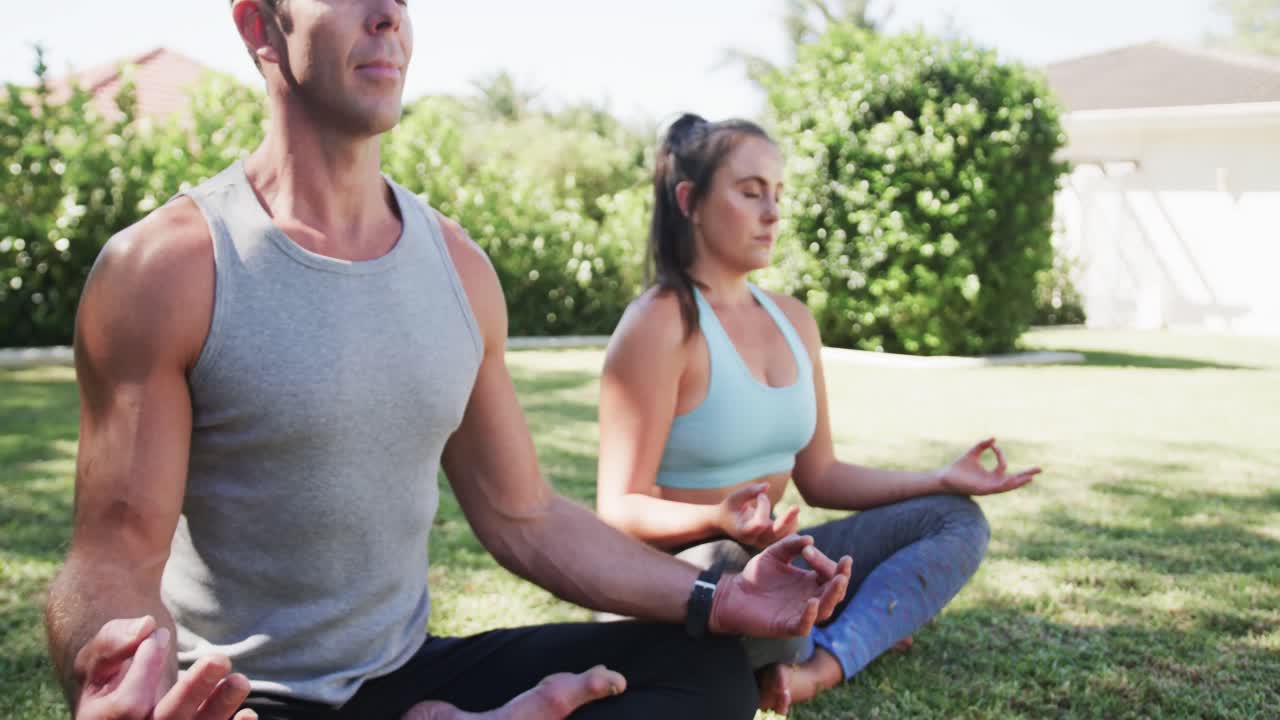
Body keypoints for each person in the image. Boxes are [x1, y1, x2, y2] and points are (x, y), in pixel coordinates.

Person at [43, 4, 853, 719]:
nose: (389, 16)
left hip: (403, 674)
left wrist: (721, 598)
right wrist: (110, 669)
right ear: (260, 25)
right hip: (242, 697)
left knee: (704, 675)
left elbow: (522, 515)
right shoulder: (167, 269)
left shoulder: (457, 267)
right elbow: (115, 552)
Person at [595, 114, 1042, 715]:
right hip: (684, 575)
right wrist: (719, 517)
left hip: (772, 562)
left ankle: (817, 666)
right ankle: (809, 638)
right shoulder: (662, 321)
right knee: (758, 577)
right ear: (690, 202)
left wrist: (941, 479)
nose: (773, 213)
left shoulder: (793, 320)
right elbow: (618, 510)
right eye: (751, 192)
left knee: (954, 522)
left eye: (778, 194)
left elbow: (822, 475)